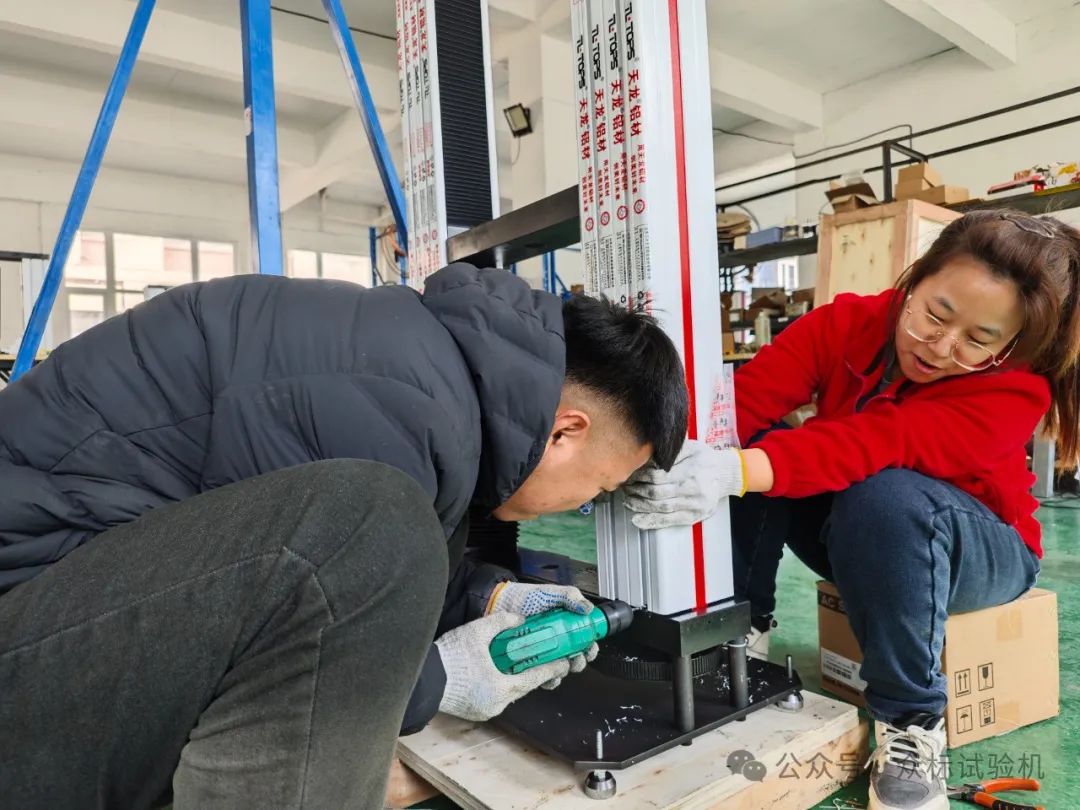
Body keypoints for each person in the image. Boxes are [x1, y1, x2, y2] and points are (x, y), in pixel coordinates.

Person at [0, 262, 689, 810]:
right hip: (28, 653)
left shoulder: (425, 376)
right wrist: (444, 678)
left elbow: (355, 576)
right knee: (374, 522)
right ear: (566, 430)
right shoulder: (398, 402)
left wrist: (488, 599)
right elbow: (317, 610)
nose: (585, 503)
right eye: (600, 488)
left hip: (72, 600)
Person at [625, 210, 1079, 810]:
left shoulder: (1015, 390)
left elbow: (879, 442)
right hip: (868, 532)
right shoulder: (844, 325)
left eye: (978, 340)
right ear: (915, 280)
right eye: (935, 314)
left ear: (1010, 346)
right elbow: (740, 406)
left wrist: (734, 471)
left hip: (980, 548)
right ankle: (740, 635)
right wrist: (647, 453)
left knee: (880, 492)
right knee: (751, 442)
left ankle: (911, 724)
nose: (941, 347)